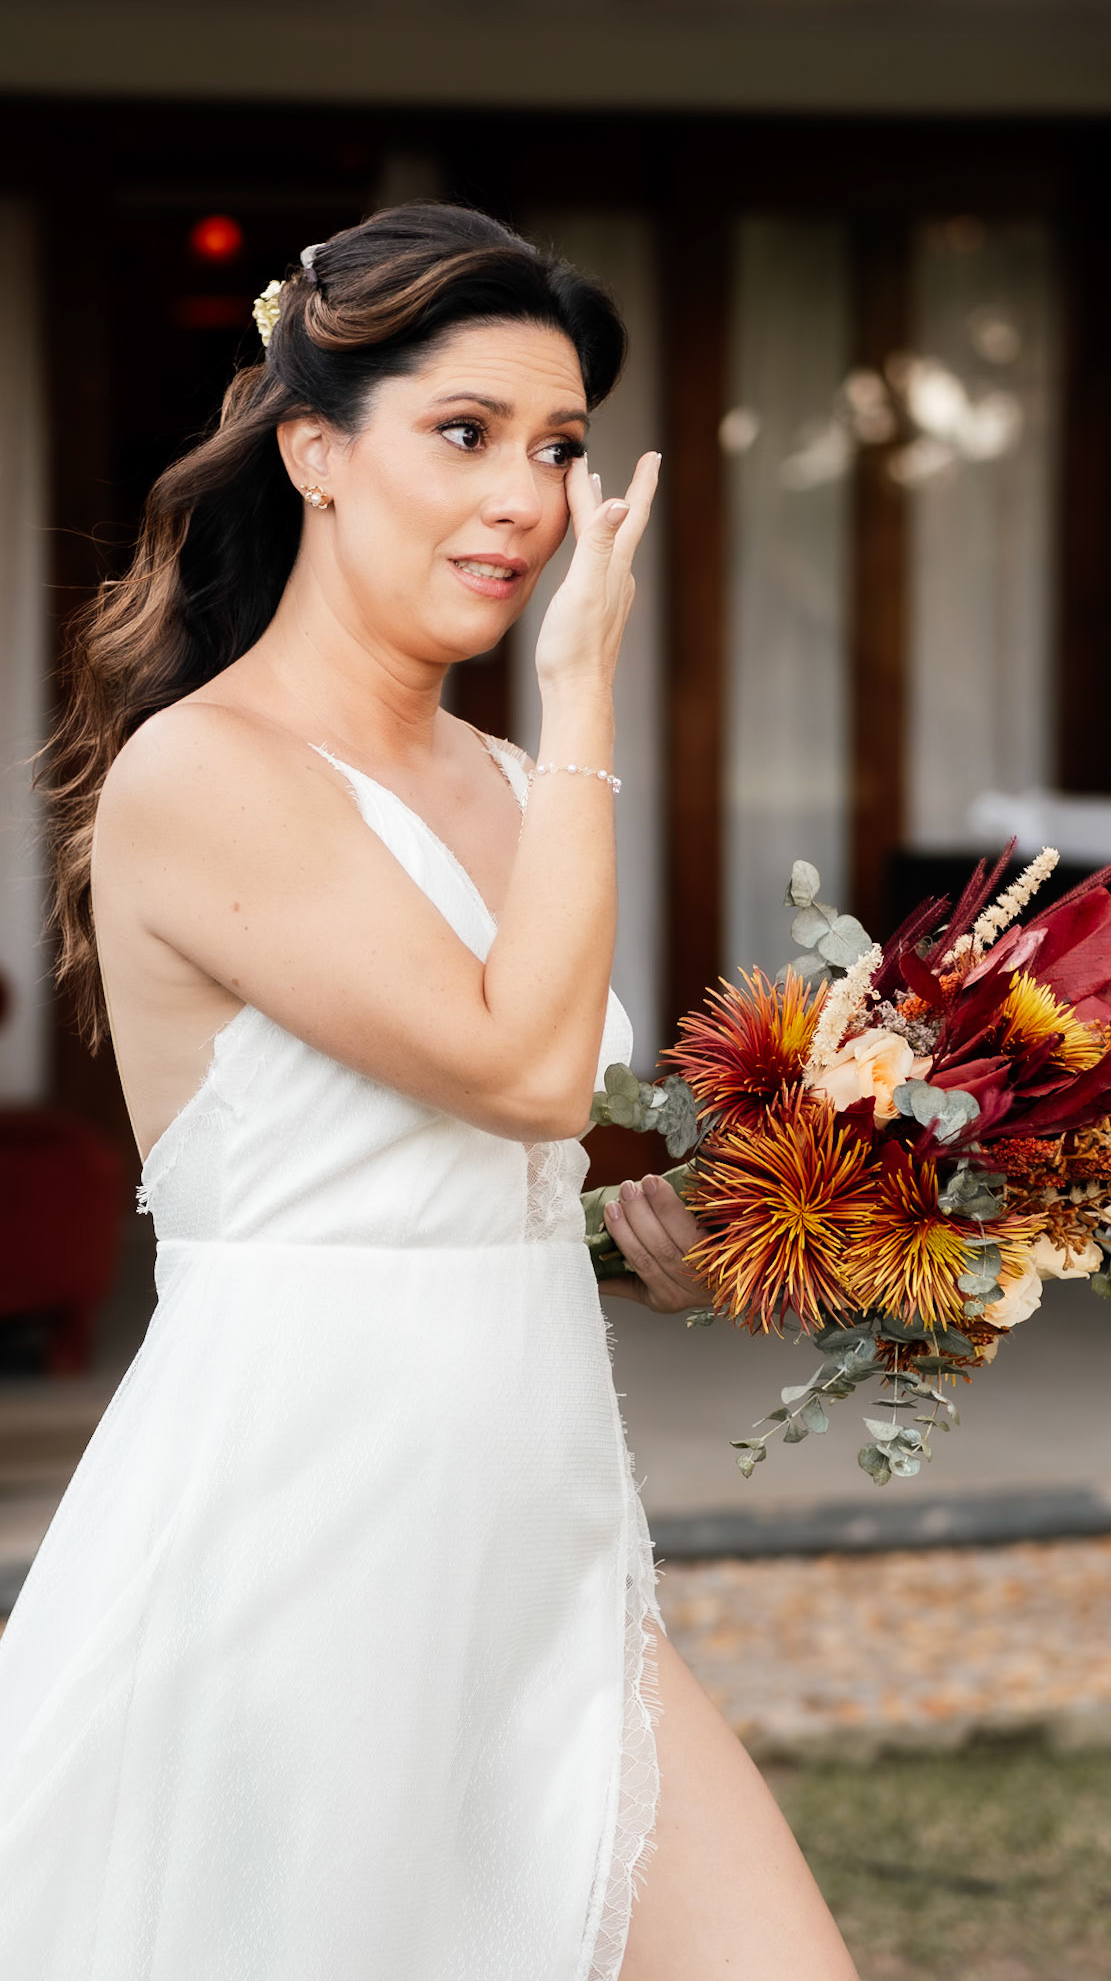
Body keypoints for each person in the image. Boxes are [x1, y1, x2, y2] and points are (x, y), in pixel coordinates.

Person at [3, 203, 859, 1981]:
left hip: (541, 1531)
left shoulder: (500, 774)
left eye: (554, 447)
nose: (525, 498)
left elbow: (476, 1173)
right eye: (461, 434)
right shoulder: (204, 768)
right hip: (302, 1538)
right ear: (316, 451)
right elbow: (530, 1073)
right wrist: (590, 706)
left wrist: (658, 1247)